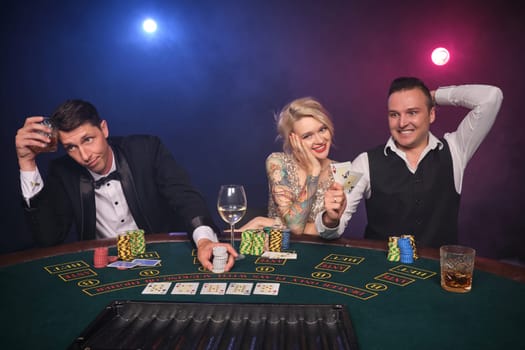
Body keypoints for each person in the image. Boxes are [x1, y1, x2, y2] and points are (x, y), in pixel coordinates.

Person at [15, 99, 237, 270]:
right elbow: (47, 239)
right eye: (71, 147)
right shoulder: (63, 172)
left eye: (88, 139)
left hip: (162, 261)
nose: (84, 155)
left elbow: (185, 198)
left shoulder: (146, 150)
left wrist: (205, 240)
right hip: (105, 271)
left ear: (104, 129)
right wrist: (27, 162)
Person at [340, 77, 503, 247]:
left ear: (431, 114)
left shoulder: (455, 150)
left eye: (412, 112)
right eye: (394, 114)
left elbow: (491, 97)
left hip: (438, 272)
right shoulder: (363, 162)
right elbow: (334, 223)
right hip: (380, 270)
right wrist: (330, 219)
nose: (402, 123)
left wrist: (434, 96)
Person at [240, 97, 348, 238]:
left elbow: (335, 231)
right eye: (308, 136)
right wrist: (314, 171)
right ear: (293, 141)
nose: (320, 140)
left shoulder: (343, 171)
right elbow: (296, 227)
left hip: (319, 253)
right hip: (276, 250)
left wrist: (264, 222)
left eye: (322, 129)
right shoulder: (278, 162)